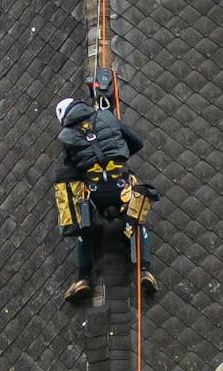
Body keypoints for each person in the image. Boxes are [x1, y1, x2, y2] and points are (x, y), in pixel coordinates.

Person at [52, 94, 159, 302]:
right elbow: (136, 142)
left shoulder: (65, 136)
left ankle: (83, 278)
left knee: (84, 228)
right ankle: (145, 271)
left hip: (94, 194)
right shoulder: (107, 117)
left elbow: (71, 172)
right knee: (138, 220)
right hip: (121, 186)